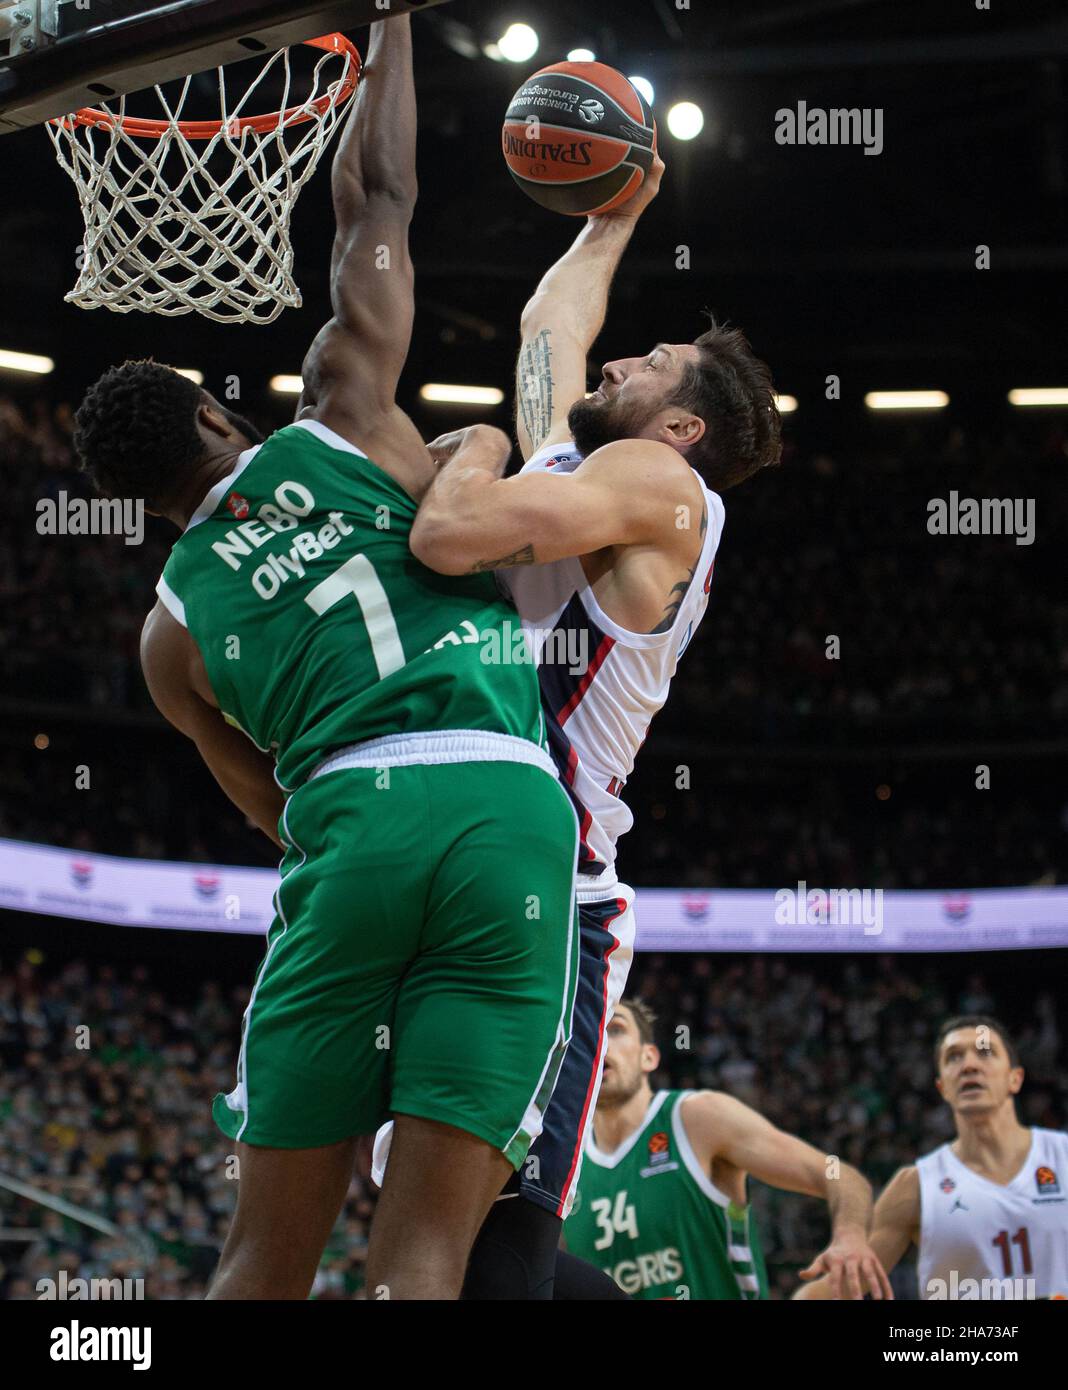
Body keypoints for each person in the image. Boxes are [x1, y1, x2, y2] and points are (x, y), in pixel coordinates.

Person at [71, 16, 578, 1301]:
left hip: (350, 821)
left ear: (142, 502)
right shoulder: (344, 406)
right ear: (210, 412)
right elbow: (380, 195)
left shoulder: (167, 638)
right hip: (508, 806)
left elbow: (267, 807)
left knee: (261, 1255)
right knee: (421, 1258)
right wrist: (391, 24)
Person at [398, 154, 783, 1298]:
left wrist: (469, 447)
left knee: (504, 1221)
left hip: (552, 891)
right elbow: (550, 322)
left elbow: (444, 537)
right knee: (439, 1213)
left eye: (653, 364)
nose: (621, 356)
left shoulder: (670, 497)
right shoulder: (584, 464)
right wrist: (620, 209)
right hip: (464, 849)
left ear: (679, 426)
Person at [563, 1000, 891, 1300]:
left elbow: (837, 1171)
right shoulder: (564, 1163)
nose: (600, 1041)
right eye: (590, 1030)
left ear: (649, 1056)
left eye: (615, 1029)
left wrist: (849, 1236)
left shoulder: (697, 1118)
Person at [794, 1016, 1068, 1301]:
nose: (969, 1065)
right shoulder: (917, 1186)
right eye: (954, 1058)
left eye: (985, 1052)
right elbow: (831, 1291)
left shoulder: (1063, 1157)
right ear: (943, 1088)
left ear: (1015, 1078)